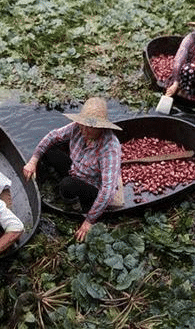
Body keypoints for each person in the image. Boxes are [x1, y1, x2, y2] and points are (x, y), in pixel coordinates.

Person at [23, 97, 122, 242]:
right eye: (83, 125)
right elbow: (53, 136)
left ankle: (75, 205)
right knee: (49, 151)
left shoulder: (109, 148)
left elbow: (107, 190)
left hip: (93, 185)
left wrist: (89, 221)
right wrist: (33, 160)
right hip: (75, 169)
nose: (85, 130)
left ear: (101, 127)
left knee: (67, 184)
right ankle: (56, 184)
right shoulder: (78, 128)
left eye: (90, 127)